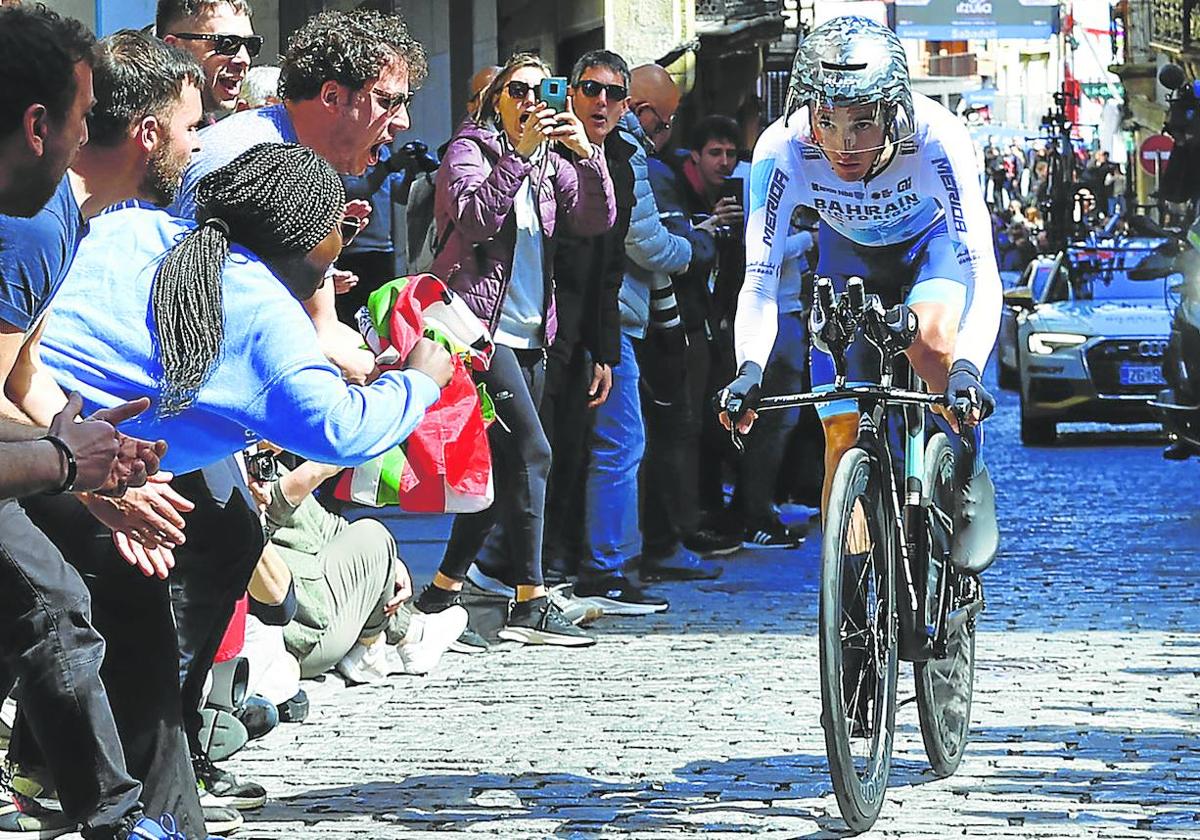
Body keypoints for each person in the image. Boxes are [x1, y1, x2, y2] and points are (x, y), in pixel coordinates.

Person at [28, 142, 451, 838]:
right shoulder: (262, 311)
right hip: (88, 476)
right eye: (338, 222)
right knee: (144, 687)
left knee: (118, 662)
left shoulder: (137, 227)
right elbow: (343, 431)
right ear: (312, 237)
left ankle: (83, 789)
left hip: (29, 443)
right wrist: (421, 381)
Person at [0, 17, 202, 840]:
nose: (90, 136)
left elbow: (20, 377)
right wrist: (71, 468)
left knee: (71, 596)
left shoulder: (57, 216)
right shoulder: (30, 224)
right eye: (193, 128)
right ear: (40, 126)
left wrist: (89, 454)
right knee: (52, 602)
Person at [719, 15, 1001, 573]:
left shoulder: (938, 137)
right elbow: (759, 279)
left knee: (930, 340)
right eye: (828, 121)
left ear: (893, 110)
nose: (844, 144)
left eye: (864, 122)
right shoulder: (783, 148)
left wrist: (967, 368)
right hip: (848, 255)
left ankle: (965, 467)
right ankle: (852, 595)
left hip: (931, 245)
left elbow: (982, 270)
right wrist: (748, 368)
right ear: (807, 111)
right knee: (839, 431)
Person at [411, 52, 615, 647]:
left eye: (541, 90)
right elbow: (473, 220)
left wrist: (589, 155)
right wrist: (518, 158)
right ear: (495, 101)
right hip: (475, 330)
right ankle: (530, 601)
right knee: (533, 453)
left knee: (503, 470)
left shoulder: (553, 158)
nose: (532, 101)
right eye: (518, 90)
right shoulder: (469, 151)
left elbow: (596, 219)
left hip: (531, 333)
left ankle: (444, 589)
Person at [246, 460, 467, 683]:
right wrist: (317, 470)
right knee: (373, 535)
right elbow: (250, 530)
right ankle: (382, 644)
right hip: (295, 641)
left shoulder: (256, 457)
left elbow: (322, 524)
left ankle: (403, 636)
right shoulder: (229, 461)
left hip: (307, 616)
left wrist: (387, 565)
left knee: (370, 543)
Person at [157, 0, 257, 123]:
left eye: (251, 45)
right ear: (173, 48)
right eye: (227, 44)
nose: (244, 60)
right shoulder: (138, 129)